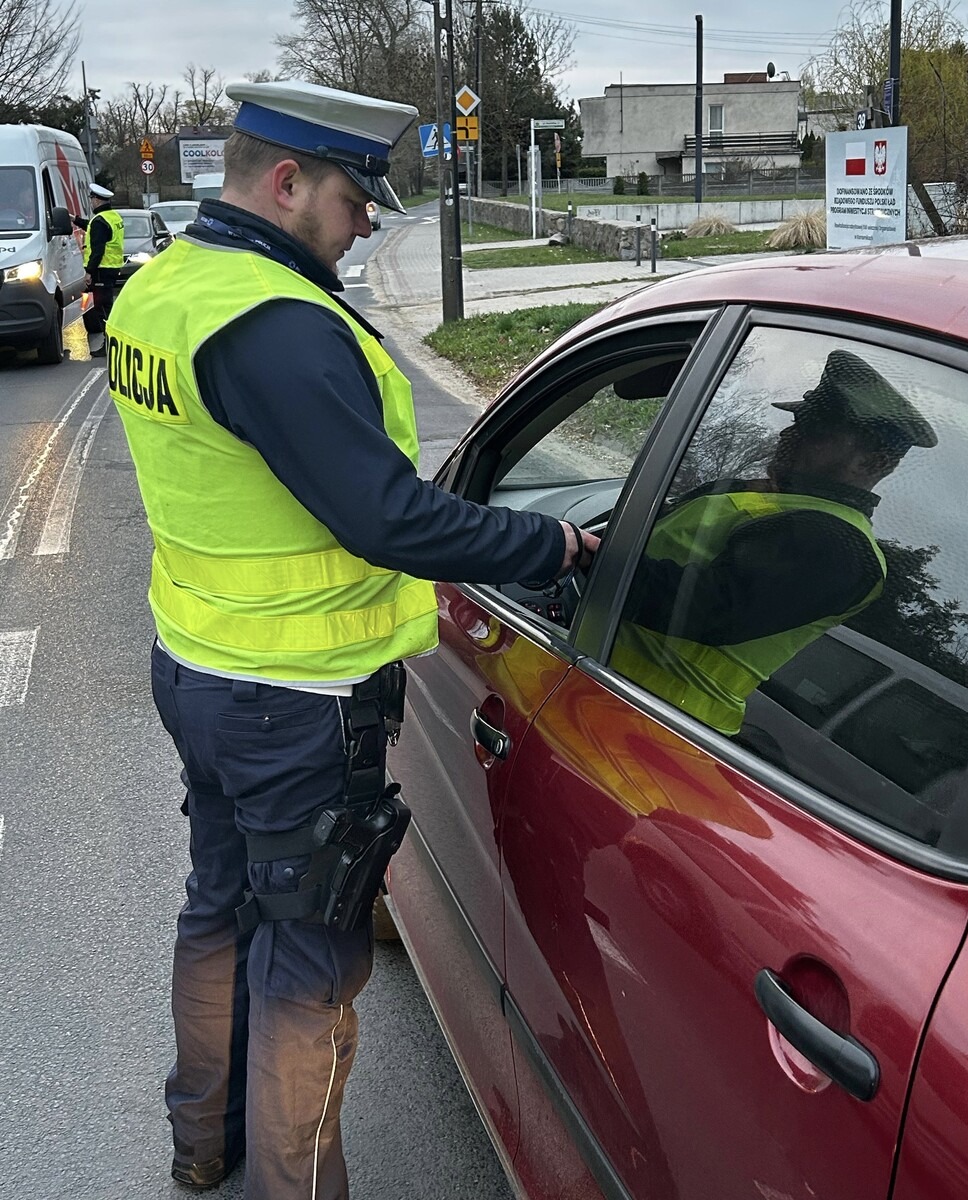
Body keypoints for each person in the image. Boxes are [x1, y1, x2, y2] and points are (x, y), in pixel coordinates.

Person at [104, 80, 598, 1199]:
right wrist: (553, 545)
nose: (371, 219)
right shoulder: (275, 326)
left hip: (199, 667)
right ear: (287, 184)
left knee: (219, 906)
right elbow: (387, 516)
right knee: (309, 968)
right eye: (354, 196)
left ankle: (201, 1143)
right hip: (295, 696)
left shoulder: (165, 287)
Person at [612, 349, 937, 736]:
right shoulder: (782, 504)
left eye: (814, 430)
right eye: (797, 422)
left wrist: (583, 555)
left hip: (650, 722)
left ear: (871, 463)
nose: (788, 433)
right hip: (616, 694)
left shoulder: (838, 545)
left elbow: (710, 607)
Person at [73, 182, 123, 348]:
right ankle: (112, 341)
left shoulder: (99, 221)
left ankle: (110, 343)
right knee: (107, 305)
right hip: (113, 268)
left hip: (102, 269)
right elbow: (93, 227)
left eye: (92, 198)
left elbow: (97, 250)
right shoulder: (112, 217)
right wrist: (76, 220)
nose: (91, 201)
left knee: (102, 308)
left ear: (98, 200)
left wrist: (89, 272)